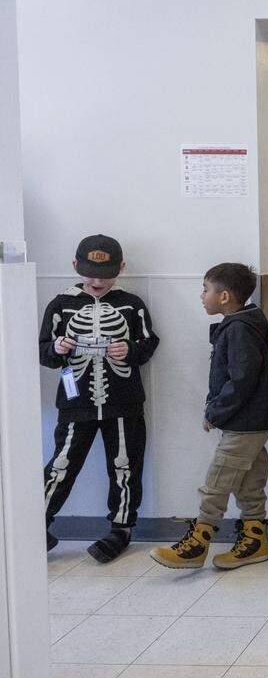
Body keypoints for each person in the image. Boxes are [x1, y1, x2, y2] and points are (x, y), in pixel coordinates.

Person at [150, 263, 268, 570]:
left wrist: (216, 411)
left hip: (244, 420)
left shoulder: (239, 329)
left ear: (224, 297)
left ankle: (197, 543)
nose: (201, 296)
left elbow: (242, 379)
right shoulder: (239, 324)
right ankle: (255, 540)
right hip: (250, 419)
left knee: (218, 480)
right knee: (249, 480)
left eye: (205, 289)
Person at [41, 234, 160, 562]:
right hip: (74, 400)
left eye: (106, 274)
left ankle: (121, 526)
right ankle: (33, 523)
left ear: (121, 268)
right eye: (91, 272)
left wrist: (130, 350)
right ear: (75, 266)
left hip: (123, 401)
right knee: (62, 464)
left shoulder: (131, 304)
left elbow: (148, 342)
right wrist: (57, 348)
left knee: (124, 464)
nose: (97, 281)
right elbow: (43, 351)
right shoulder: (61, 305)